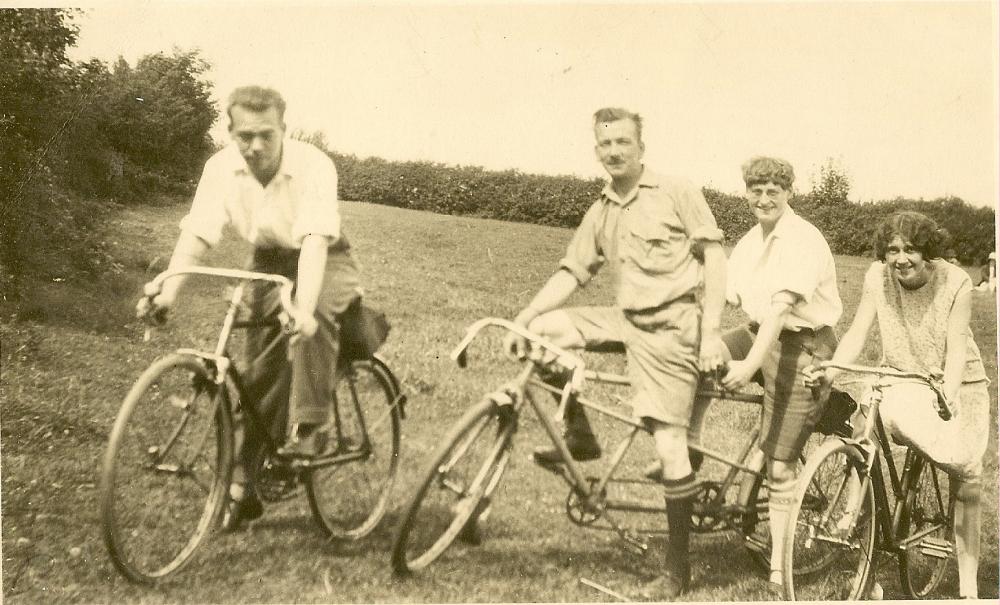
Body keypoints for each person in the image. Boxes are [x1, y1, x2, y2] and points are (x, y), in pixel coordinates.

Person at [503, 107, 728, 598]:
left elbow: (714, 256)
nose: (614, 151)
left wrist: (711, 334)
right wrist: (522, 317)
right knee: (542, 333)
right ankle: (580, 435)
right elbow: (572, 272)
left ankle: (678, 570)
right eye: (605, 144)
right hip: (623, 318)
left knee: (669, 447)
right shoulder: (602, 208)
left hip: (672, 327)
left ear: (641, 147)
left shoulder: (676, 191)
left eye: (623, 142)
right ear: (596, 150)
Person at [136, 85, 363, 530]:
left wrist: (301, 307)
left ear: (283, 129)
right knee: (258, 375)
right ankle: (244, 489)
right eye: (245, 136)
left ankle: (308, 431)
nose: (255, 146)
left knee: (310, 320)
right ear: (230, 131)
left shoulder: (314, 165)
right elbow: (197, 235)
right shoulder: (219, 169)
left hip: (324, 257)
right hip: (267, 260)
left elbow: (315, 243)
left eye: (266, 135)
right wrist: (168, 292)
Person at [805, 211, 990, 599]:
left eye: (911, 250)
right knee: (861, 432)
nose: (901, 258)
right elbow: (858, 331)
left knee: (967, 480)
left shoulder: (956, 283)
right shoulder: (877, 277)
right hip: (901, 375)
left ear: (928, 252)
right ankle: (863, 536)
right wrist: (832, 373)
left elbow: (957, 345)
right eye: (892, 250)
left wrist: (950, 391)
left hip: (956, 384)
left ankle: (970, 587)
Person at [714, 156, 842, 589]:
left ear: (789, 192)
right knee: (695, 359)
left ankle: (779, 565)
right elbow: (731, 298)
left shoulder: (804, 239)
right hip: (758, 334)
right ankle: (689, 454)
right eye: (756, 189)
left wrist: (748, 365)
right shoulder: (751, 240)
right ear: (746, 191)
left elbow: (780, 310)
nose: (764, 198)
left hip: (803, 344)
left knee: (780, 465)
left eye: (774, 190)